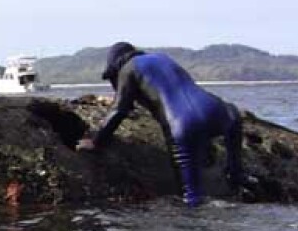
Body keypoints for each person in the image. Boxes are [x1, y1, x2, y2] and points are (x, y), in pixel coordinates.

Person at [77, 42, 244, 207]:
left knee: (192, 198)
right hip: (220, 112)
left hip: (184, 124)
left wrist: (95, 142)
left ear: (116, 65)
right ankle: (236, 177)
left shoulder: (127, 69)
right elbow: (187, 98)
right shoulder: (162, 58)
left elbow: (119, 111)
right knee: (233, 119)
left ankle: (194, 222)